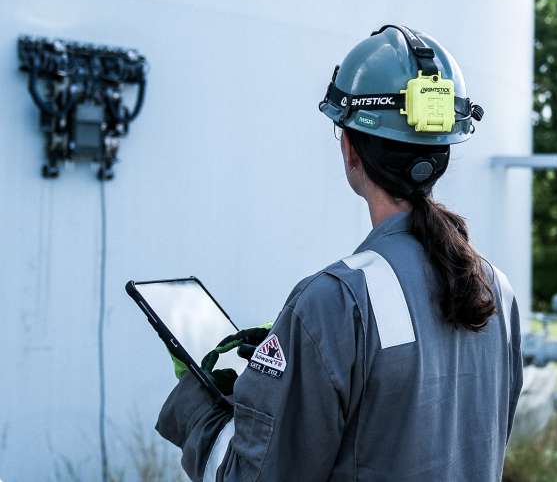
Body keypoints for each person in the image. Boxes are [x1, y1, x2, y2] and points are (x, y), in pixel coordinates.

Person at [156, 24, 524, 481]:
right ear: (446, 148)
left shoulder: (335, 302)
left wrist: (200, 403)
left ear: (350, 147)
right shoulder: (495, 289)